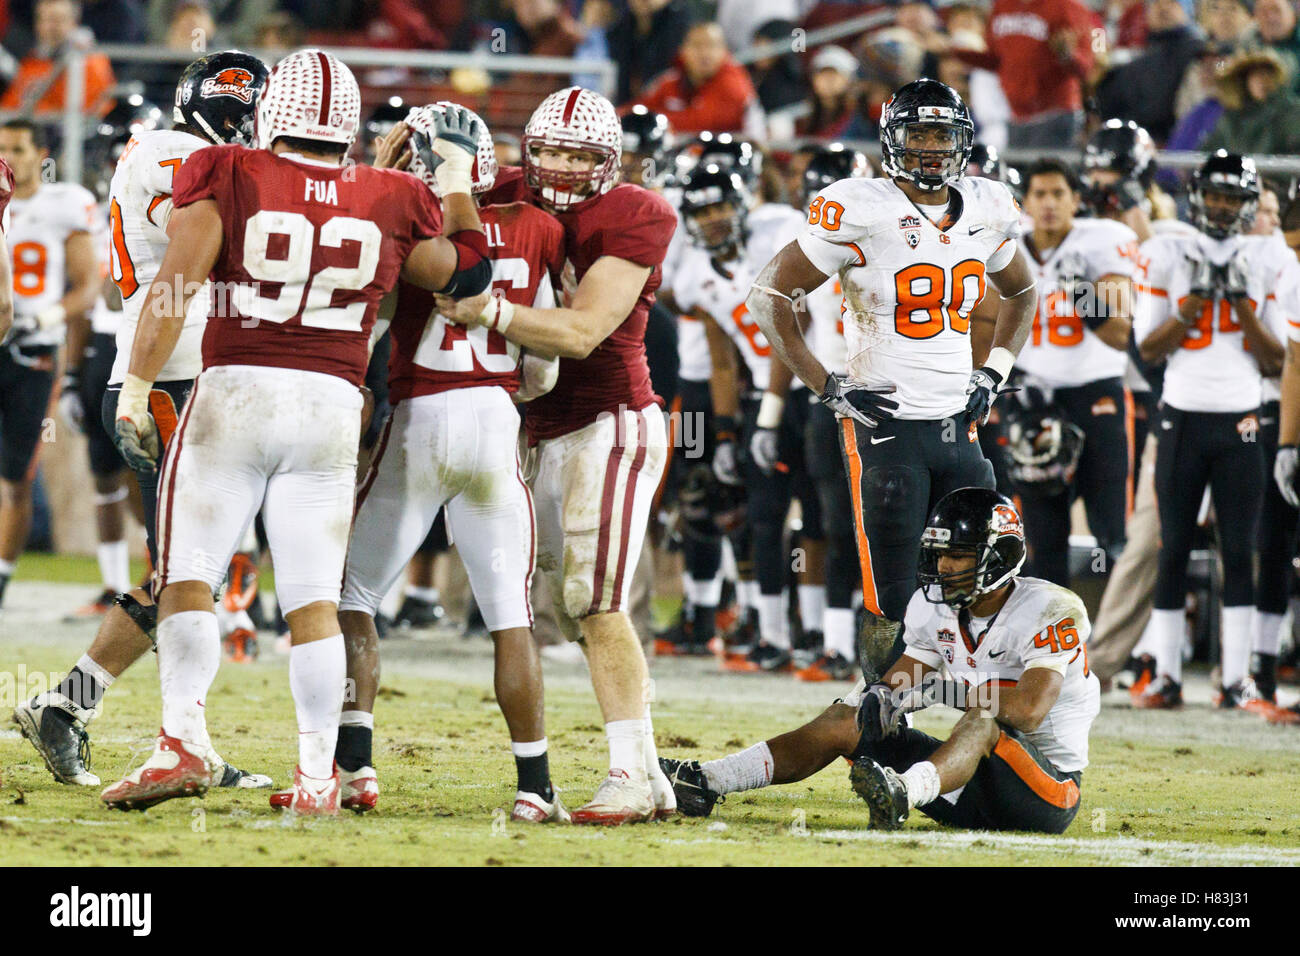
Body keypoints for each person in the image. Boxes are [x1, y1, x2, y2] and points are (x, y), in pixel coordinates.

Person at [98, 49, 492, 815]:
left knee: (187, 576)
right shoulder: (392, 193)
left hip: (235, 393)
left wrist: (139, 384)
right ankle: (317, 779)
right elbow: (468, 274)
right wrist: (450, 181)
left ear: (273, 111)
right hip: (331, 409)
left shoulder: (226, 170)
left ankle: (180, 742)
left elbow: (176, 282)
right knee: (312, 597)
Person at [11, 52, 275, 791]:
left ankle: (67, 707)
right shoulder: (171, 154)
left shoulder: (191, 152)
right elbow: (202, 249)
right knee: (190, 575)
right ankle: (180, 746)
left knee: (183, 575)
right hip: (161, 378)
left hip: (182, 376)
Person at [315, 102, 566, 819]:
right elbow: (544, 354)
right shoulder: (539, 228)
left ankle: (356, 767)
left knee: (350, 600)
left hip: (421, 416)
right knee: (510, 617)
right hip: (494, 417)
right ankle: (535, 786)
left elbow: (371, 328)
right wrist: (515, 402)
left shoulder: (403, 217)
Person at [743, 78, 1037, 682]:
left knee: (978, 573)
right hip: (887, 425)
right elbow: (769, 295)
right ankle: (884, 721)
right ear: (891, 141)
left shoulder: (987, 206)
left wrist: (994, 372)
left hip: (957, 421)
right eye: (919, 134)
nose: (932, 148)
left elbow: (1024, 292)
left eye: (943, 135)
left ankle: (968, 717)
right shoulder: (860, 205)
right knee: (894, 588)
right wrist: (827, 385)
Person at [442, 86, 678, 825]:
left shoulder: (638, 212)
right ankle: (650, 774)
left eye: (580, 155)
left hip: (611, 420)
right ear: (528, 150)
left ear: (608, 161)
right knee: (573, 606)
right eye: (550, 151)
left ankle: (629, 777)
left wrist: (491, 309)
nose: (563, 167)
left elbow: (582, 333)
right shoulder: (508, 192)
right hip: (539, 426)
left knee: (594, 602)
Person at [660, 488, 1100, 833]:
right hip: (963, 784)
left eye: (959, 554)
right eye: (940, 553)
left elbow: (1027, 711)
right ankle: (707, 781)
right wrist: (880, 695)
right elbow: (904, 679)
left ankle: (901, 793)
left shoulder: (1051, 609)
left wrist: (939, 691)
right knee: (846, 718)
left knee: (982, 720)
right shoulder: (934, 606)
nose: (944, 566)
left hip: (1047, 790)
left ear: (1000, 555)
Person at [1133, 151, 1284, 711]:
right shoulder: (1167, 250)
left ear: (1248, 205)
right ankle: (1166, 674)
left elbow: (1274, 361)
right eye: (1215, 195)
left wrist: (1242, 304)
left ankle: (1235, 680)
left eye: (1232, 197)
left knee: (1239, 549)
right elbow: (1149, 348)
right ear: (1198, 196)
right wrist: (1195, 300)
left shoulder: (1269, 257)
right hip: (1181, 414)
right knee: (1172, 546)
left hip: (1242, 416)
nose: (1221, 207)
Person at [671, 162, 815, 672]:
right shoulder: (689, 273)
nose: (713, 219)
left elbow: (792, 323)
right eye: (702, 210)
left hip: (811, 388)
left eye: (721, 206)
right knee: (707, 496)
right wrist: (729, 430)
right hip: (702, 394)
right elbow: (719, 355)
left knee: (825, 519)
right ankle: (707, 612)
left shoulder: (777, 232)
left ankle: (814, 628)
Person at [1009, 159, 1136, 587]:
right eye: (1040, 194)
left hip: (1094, 393)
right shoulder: (1004, 251)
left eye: (1059, 194)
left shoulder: (1104, 242)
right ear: (1024, 201)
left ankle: (1131, 645)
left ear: (1077, 200)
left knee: (1111, 531)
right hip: (1033, 397)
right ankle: (1053, 640)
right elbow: (985, 332)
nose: (1048, 204)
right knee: (1044, 537)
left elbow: (1121, 335)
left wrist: (1082, 291)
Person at [0, 120, 101, 609]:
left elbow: (87, 285)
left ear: (40, 153)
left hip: (33, 347)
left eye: (17, 149)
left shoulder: (65, 204)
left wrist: (44, 314)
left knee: (17, 472)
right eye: (1, 149)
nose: (9, 158)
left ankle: (0, 578)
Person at [634, 22, 764, 137]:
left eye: (711, 45)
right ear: (683, 50)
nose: (704, 53)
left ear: (724, 51)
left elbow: (703, 123)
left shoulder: (734, 82)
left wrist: (659, 121)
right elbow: (638, 109)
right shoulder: (670, 79)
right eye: (697, 45)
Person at [0, 0, 116, 117]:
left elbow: (93, 112)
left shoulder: (89, 61)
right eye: (43, 20)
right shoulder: (33, 61)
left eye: (57, 20)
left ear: (74, 22)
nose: (49, 27)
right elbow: (10, 105)